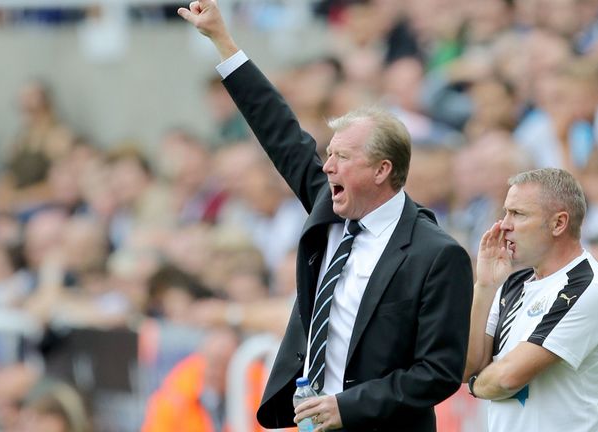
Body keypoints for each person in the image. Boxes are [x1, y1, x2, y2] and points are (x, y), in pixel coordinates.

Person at [178, 2, 474, 431]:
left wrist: (347, 406)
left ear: (381, 170)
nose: (328, 166)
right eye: (328, 155)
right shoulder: (329, 207)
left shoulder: (436, 254)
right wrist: (223, 42)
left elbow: (438, 373)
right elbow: (280, 132)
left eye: (342, 157)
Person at [464, 168, 598, 431]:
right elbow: (466, 366)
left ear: (558, 223)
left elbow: (507, 378)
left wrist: (475, 383)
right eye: (506, 212)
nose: (504, 224)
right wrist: (484, 286)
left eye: (518, 214)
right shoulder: (513, 284)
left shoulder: (588, 287)